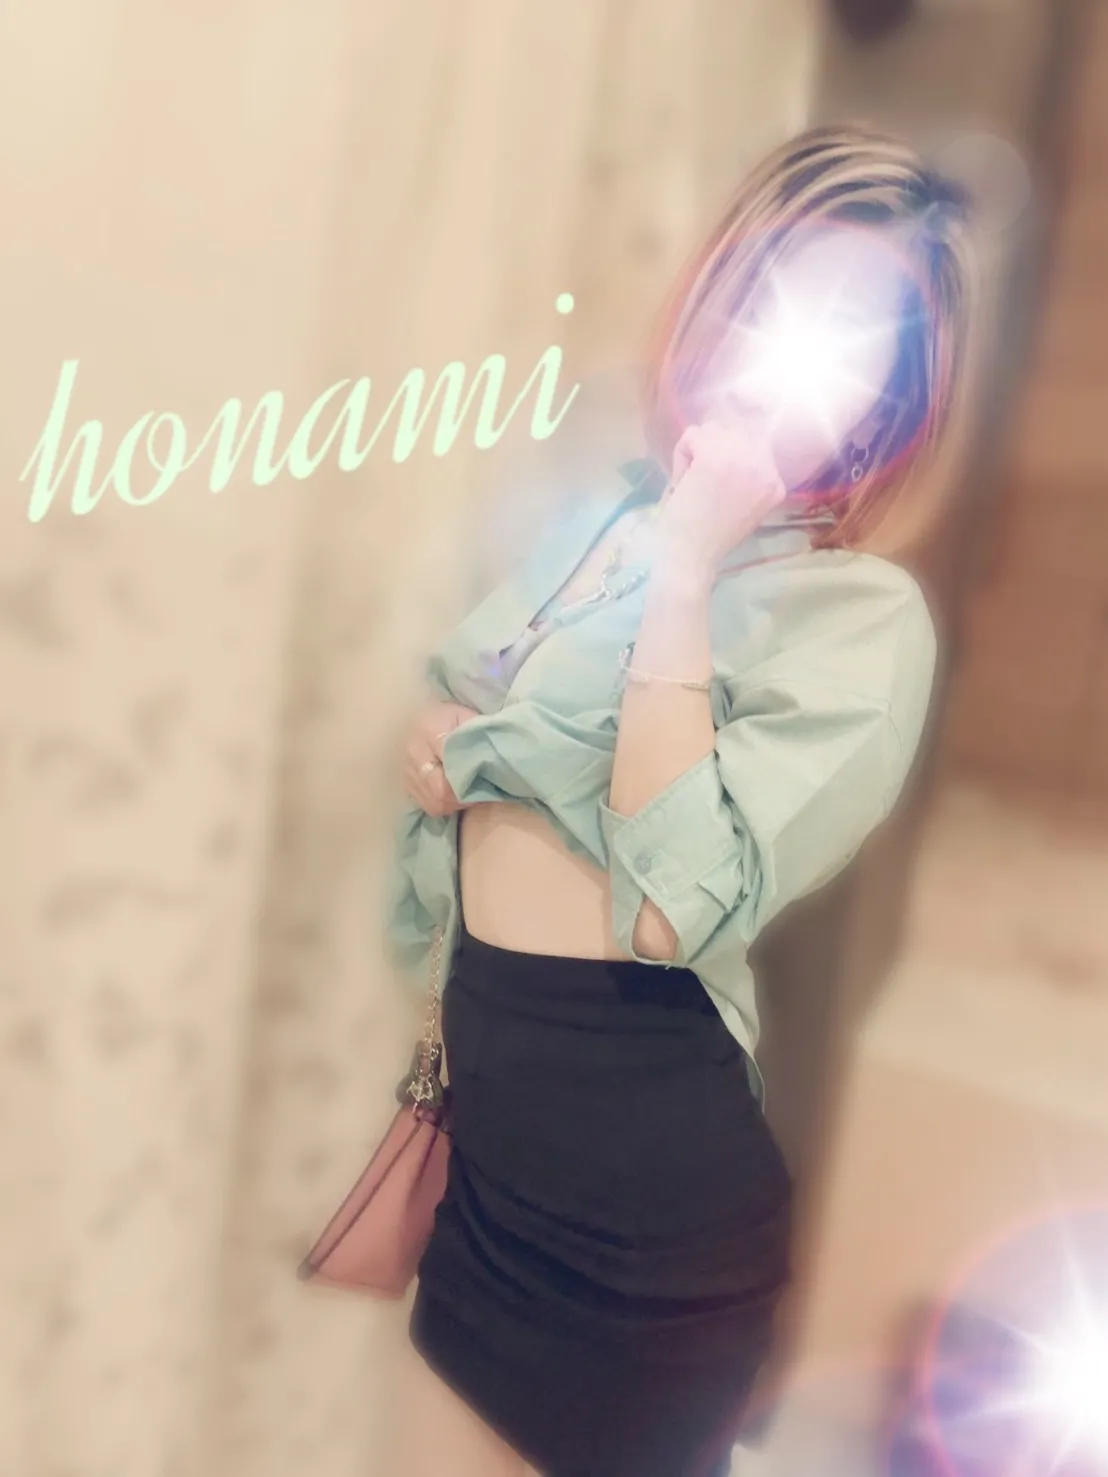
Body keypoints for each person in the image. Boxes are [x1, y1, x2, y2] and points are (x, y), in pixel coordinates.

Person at [384, 123, 976, 1477]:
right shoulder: (610, 516)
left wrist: (694, 569)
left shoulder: (861, 618)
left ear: (887, 400)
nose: (793, 344)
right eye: (780, 293)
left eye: (853, 331)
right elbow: (474, 705)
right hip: (499, 1164)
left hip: (644, 1225)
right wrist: (437, 743)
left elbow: (666, 909)